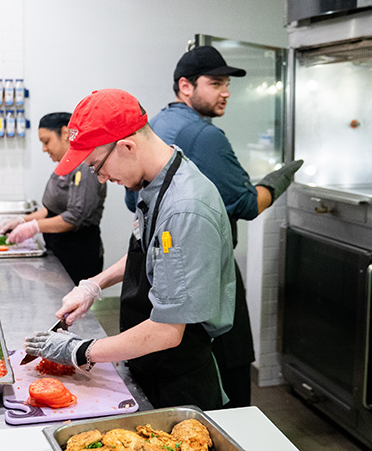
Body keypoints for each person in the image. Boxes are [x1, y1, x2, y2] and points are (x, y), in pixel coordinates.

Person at [24, 89, 236, 410]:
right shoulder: (153, 182)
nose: (102, 177)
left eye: (98, 166)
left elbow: (167, 331)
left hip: (179, 379)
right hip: (148, 363)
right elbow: (149, 253)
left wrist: (81, 350)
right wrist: (93, 286)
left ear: (126, 146)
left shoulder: (184, 206)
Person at [124, 45, 303, 408]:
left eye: (227, 84)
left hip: (156, 265)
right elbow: (250, 204)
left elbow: (133, 201)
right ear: (185, 86)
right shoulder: (205, 136)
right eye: (216, 83)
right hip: (205, 269)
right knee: (226, 377)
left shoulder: (155, 125)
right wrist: (280, 178)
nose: (226, 92)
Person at [0, 112, 107, 285]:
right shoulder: (64, 165)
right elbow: (51, 209)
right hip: (59, 248)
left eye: (46, 141)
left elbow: (75, 216)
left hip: (79, 252)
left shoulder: (85, 167)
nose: (44, 148)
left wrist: (34, 227)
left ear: (65, 133)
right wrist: (22, 220)